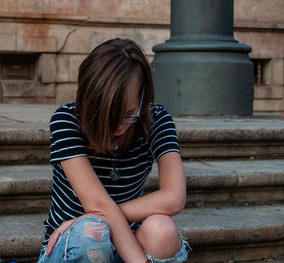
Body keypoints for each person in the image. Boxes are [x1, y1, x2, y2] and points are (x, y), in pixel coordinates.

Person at [37, 38, 190, 263]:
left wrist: (93, 216)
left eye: (128, 112)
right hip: (74, 248)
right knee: (91, 232)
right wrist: (90, 218)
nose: (117, 124)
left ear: (143, 97)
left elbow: (174, 197)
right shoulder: (67, 121)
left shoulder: (155, 120)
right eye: (107, 113)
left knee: (162, 230)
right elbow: (97, 205)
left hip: (124, 239)